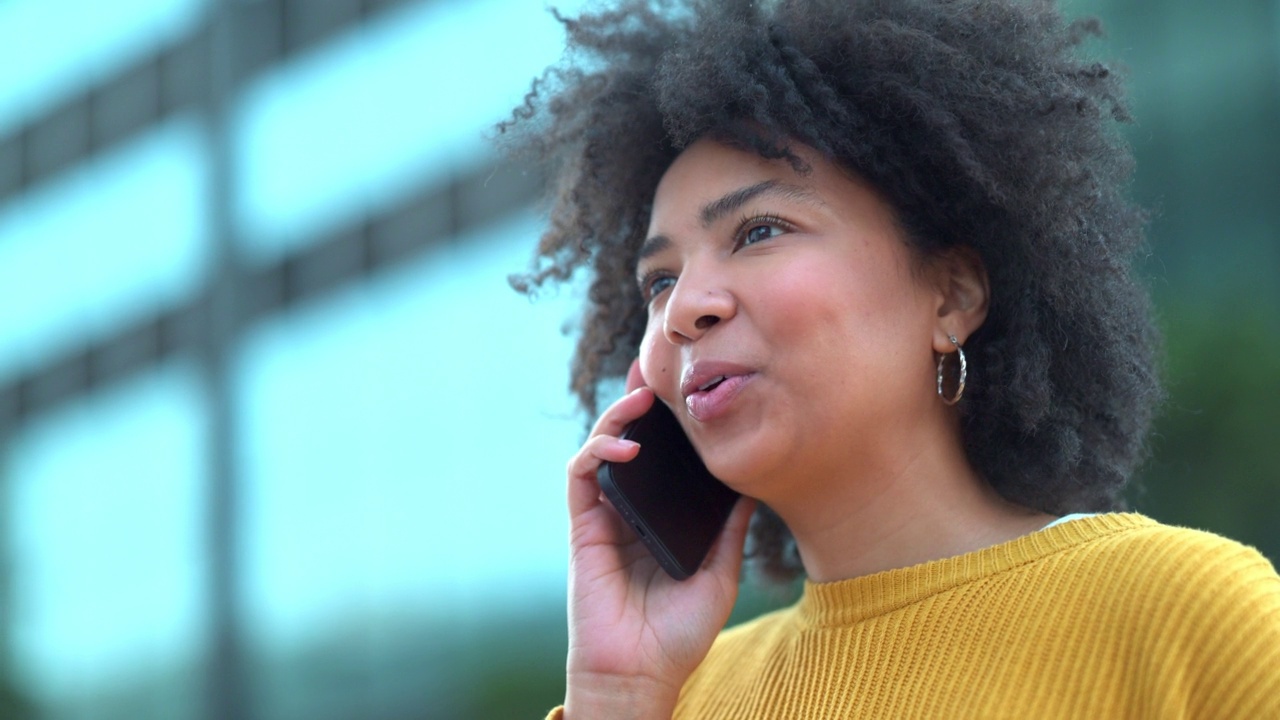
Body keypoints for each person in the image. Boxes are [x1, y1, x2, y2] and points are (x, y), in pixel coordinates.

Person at [498, 0, 1280, 717]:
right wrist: (617, 694)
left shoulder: (1193, 617)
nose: (681, 311)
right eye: (658, 280)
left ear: (951, 296)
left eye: (759, 231)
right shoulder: (668, 692)